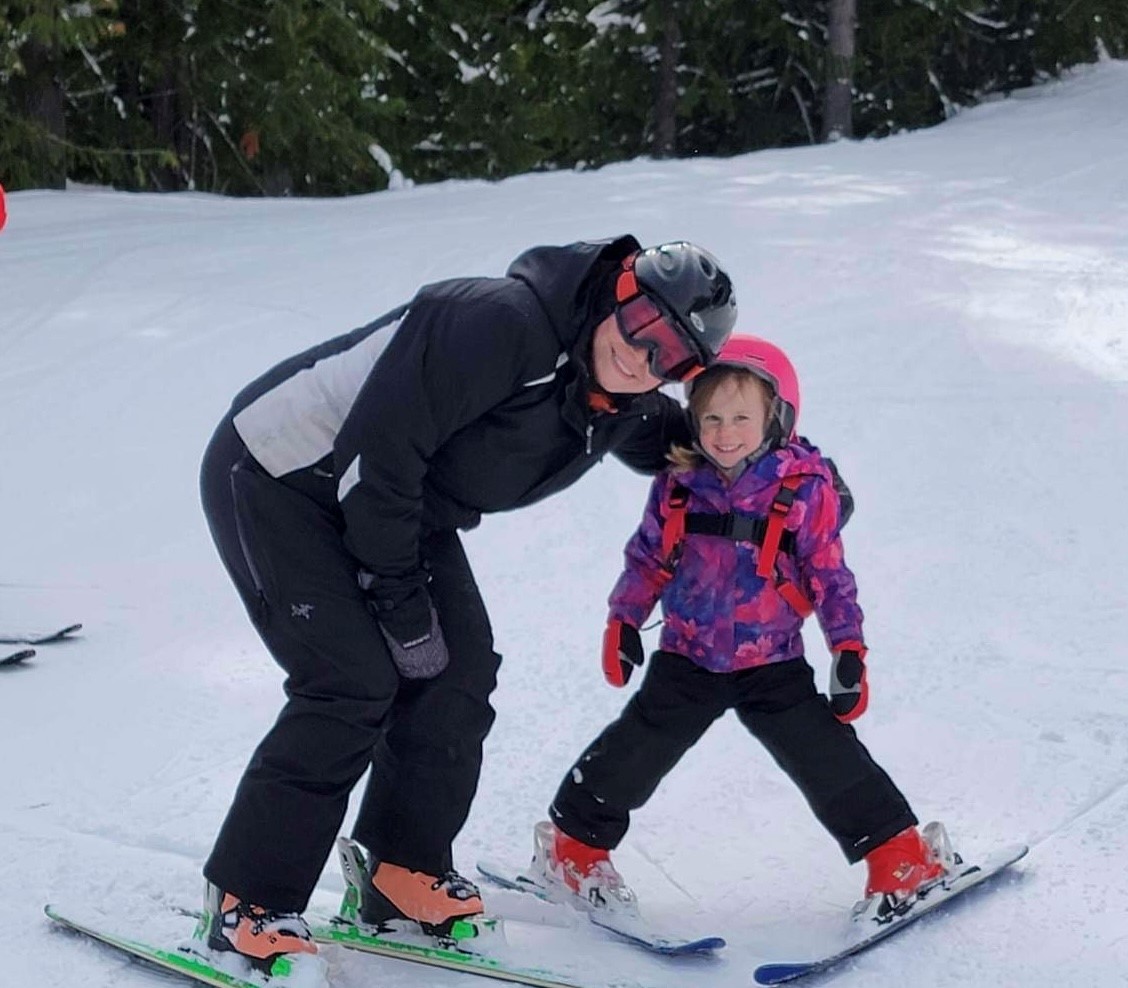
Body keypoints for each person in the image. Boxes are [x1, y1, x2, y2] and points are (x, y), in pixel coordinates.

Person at [195, 236, 738, 969]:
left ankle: (400, 873)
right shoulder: (494, 322)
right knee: (350, 680)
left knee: (460, 670)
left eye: (670, 356)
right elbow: (375, 456)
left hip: (396, 504)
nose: (644, 355)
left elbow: (695, 446)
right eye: (644, 323)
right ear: (617, 288)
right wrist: (400, 607)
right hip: (284, 470)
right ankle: (246, 900)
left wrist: (780, 478)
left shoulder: (614, 395)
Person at [528, 334, 955, 926]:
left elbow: (830, 574)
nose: (725, 433)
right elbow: (649, 555)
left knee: (824, 757)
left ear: (775, 418)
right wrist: (623, 618)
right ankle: (573, 851)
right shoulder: (679, 482)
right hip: (688, 654)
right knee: (636, 748)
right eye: (711, 418)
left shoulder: (803, 487)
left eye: (741, 418)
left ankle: (905, 858)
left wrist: (848, 648)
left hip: (771, 659)